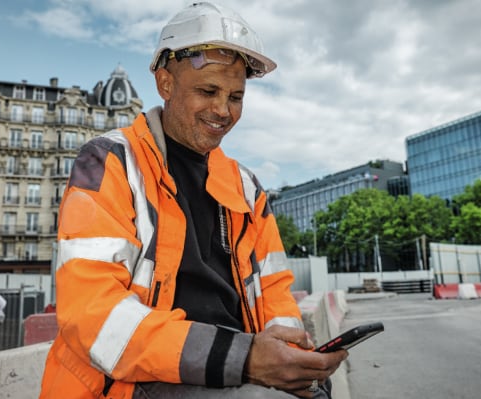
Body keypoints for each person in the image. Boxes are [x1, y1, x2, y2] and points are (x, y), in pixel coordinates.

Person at [39, 3, 347, 398]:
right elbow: (92, 315)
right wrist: (245, 358)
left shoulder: (247, 188)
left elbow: (276, 295)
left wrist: (289, 357)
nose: (223, 110)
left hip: (232, 371)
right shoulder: (109, 161)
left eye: (236, 96)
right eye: (208, 91)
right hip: (130, 382)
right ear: (165, 83)